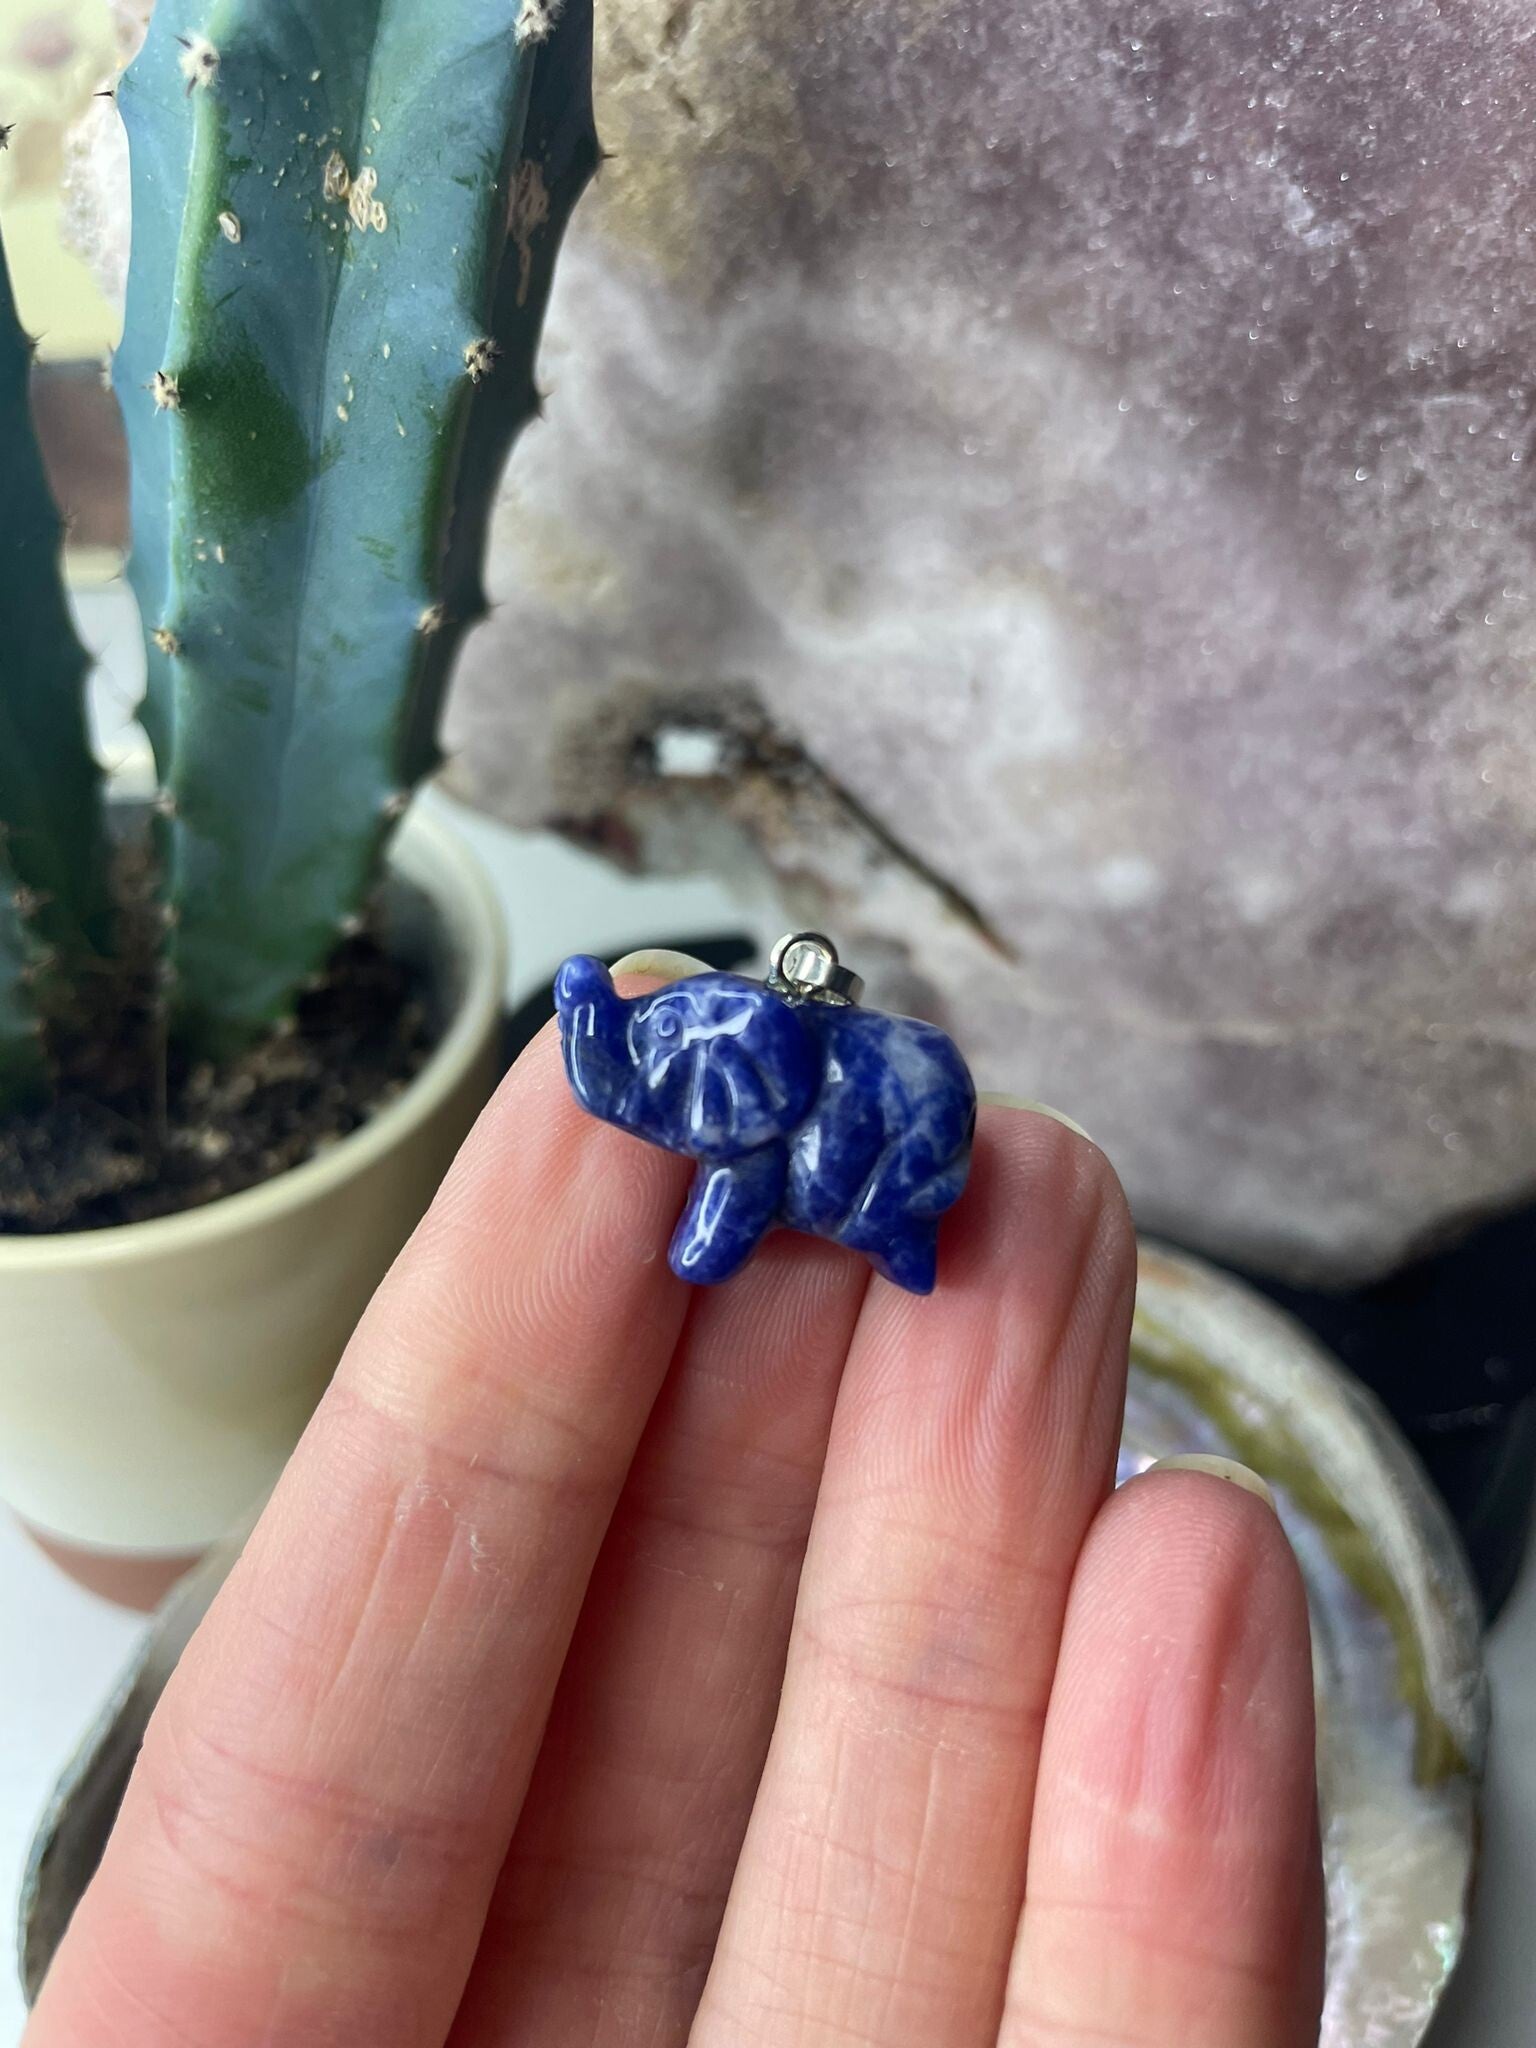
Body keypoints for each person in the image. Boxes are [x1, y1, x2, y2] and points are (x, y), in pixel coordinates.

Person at [25, 954, 1323, 2048]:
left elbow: (719, 1223)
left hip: (883, 1154)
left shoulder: (773, 1113)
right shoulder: (753, 1077)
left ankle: (886, 1231)